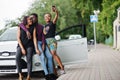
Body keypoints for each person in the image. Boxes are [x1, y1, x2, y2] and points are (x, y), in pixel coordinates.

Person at [19, 13, 58, 80]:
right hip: (36, 44)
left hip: (42, 42)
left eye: (33, 18)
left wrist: (43, 44)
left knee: (50, 56)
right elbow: (20, 24)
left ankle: (51, 74)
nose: (32, 19)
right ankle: (47, 75)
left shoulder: (41, 26)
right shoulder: (30, 27)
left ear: (36, 18)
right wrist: (37, 48)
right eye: (30, 18)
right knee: (42, 57)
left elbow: (43, 35)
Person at [16, 16, 39, 80]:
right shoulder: (20, 27)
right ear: (26, 20)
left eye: (31, 19)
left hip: (29, 45)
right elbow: (18, 38)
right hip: (21, 45)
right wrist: (22, 48)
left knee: (29, 59)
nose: (31, 20)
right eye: (29, 19)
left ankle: (29, 76)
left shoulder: (33, 28)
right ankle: (20, 75)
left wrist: (36, 48)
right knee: (17, 58)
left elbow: (34, 38)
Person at [43, 6, 65, 75]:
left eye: (49, 16)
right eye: (46, 17)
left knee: (54, 54)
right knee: (50, 56)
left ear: (50, 17)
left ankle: (62, 68)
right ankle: (54, 72)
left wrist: (56, 11)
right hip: (46, 42)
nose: (47, 18)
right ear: (44, 18)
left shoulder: (52, 23)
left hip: (52, 41)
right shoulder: (44, 26)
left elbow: (56, 15)